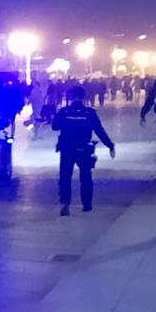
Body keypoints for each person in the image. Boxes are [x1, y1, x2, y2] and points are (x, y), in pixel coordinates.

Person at [51, 86, 116, 216]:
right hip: (84, 148)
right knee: (86, 176)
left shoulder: (64, 112)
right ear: (83, 97)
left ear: (70, 97)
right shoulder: (89, 113)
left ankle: (65, 203)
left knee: (65, 176)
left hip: (67, 148)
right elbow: (99, 130)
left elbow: (55, 127)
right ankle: (87, 204)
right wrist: (110, 145)